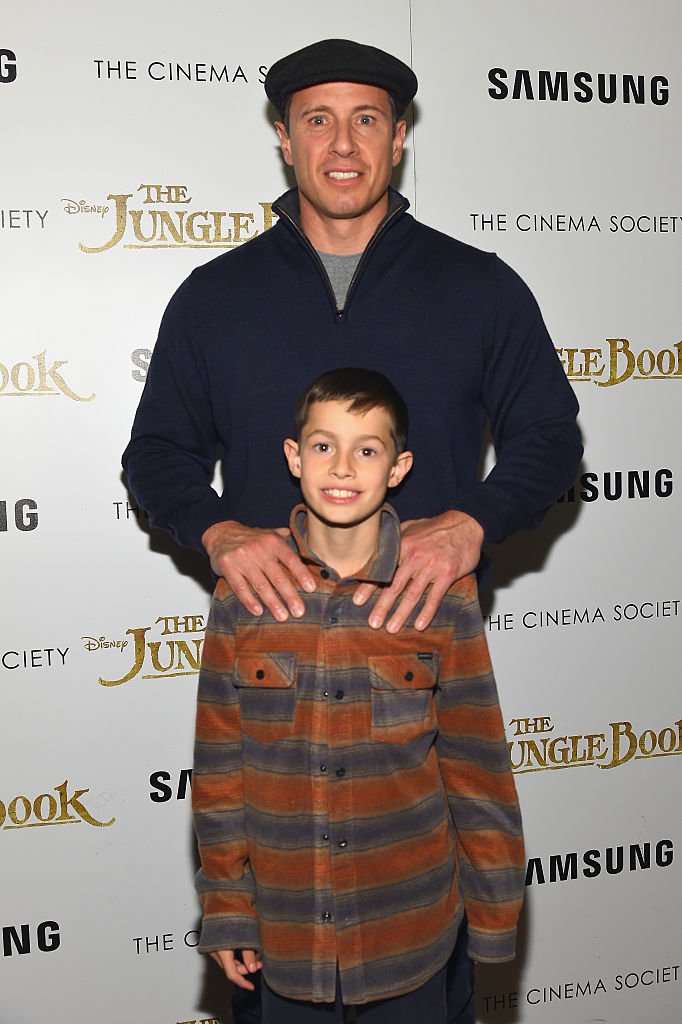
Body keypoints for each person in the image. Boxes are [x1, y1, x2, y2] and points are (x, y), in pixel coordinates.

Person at [122, 37, 582, 1022]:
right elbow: (155, 453)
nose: (342, 143)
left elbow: (549, 439)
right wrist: (219, 533)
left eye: (366, 118)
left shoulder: (480, 287)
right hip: (273, 694)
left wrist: (472, 523)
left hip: (417, 695)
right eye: (317, 119)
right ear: (284, 140)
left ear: (399, 137)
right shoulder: (213, 297)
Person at [192, 368, 525, 1024]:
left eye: (366, 450)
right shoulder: (243, 597)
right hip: (285, 940)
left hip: (411, 935)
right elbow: (220, 772)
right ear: (293, 456)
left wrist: (493, 919)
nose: (342, 467)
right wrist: (229, 909)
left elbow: (476, 768)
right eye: (323, 446)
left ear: (398, 467)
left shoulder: (441, 597)